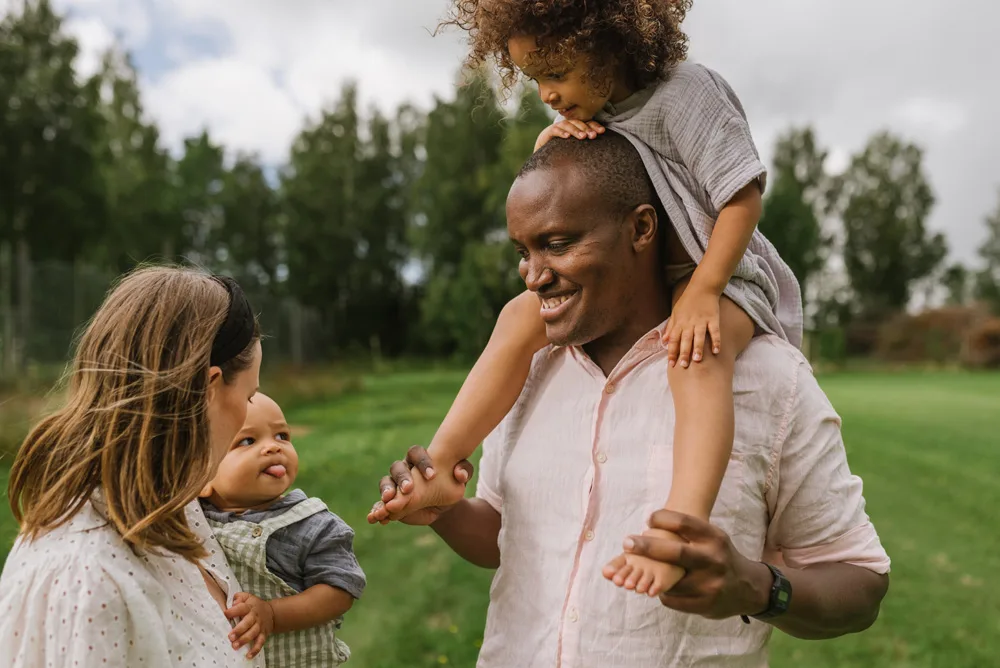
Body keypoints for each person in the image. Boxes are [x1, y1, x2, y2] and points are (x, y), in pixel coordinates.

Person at [370, 133, 889, 667]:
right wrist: (444, 512)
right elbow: (507, 538)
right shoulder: (523, 369)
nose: (534, 275)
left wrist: (757, 587)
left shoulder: (768, 377)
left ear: (641, 228)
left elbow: (860, 584)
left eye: (557, 243)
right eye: (522, 251)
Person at [378, 0, 803, 597]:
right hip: (651, 275)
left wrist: (705, 290)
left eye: (557, 72)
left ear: (607, 41)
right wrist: (553, 142)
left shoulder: (686, 93)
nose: (548, 94)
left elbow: (742, 197)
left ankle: (681, 527)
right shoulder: (593, 109)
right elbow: (574, 189)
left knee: (695, 356)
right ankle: (440, 464)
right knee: (518, 316)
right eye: (535, 81)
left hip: (722, 273)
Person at [0, 267, 264, 667]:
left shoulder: (173, 505)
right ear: (210, 390)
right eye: (249, 396)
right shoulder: (87, 585)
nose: (247, 418)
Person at [199, 392, 365, 665]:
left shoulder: (310, 524)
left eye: (282, 436)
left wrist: (274, 615)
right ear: (202, 475)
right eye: (248, 440)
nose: (273, 447)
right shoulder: (193, 520)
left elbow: (341, 589)